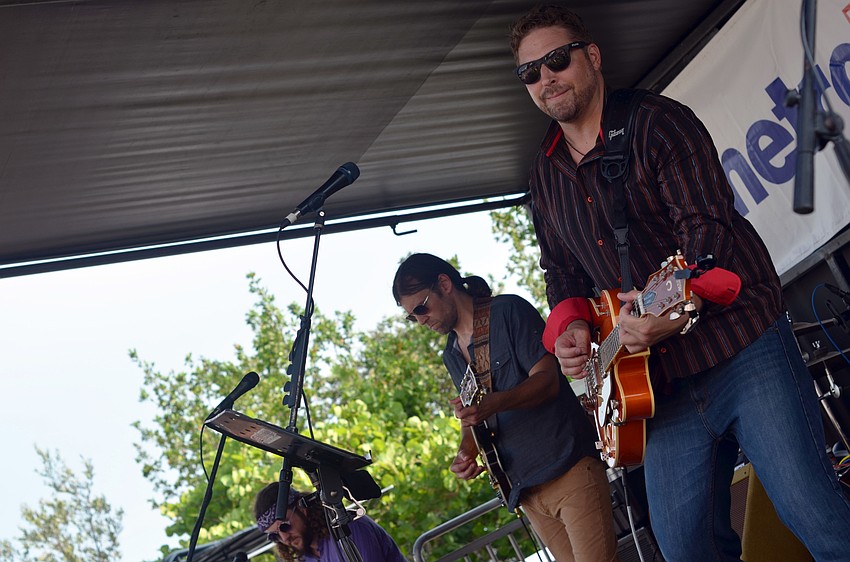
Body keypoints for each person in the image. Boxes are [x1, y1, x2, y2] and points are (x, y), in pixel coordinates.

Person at [508, 4, 850, 561]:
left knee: (815, 514)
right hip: (653, 387)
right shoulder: (543, 177)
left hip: (741, 348)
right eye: (530, 72)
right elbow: (561, 273)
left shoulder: (657, 121)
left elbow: (706, 231)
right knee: (685, 550)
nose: (545, 79)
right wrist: (570, 328)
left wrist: (669, 310)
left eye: (556, 60)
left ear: (591, 57)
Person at [393, 252, 619, 562]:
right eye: (412, 316)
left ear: (444, 284)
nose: (420, 320)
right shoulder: (451, 355)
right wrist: (465, 452)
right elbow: (474, 417)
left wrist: (493, 404)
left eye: (421, 307)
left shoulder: (508, 311)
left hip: (569, 468)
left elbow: (548, 380)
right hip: (525, 490)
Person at [253, 482, 406, 562]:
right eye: (275, 536)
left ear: (302, 509)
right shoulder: (306, 558)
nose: (284, 538)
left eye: (284, 526)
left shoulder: (349, 528)